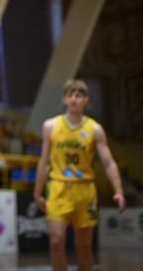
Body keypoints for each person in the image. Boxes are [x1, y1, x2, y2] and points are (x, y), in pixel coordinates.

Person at [33, 79, 125, 271]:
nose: (74, 99)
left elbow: (108, 162)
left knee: (84, 247)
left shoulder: (95, 129)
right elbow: (43, 161)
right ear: (64, 100)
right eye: (70, 95)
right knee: (56, 241)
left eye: (78, 95)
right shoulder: (50, 126)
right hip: (58, 187)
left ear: (85, 100)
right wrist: (37, 191)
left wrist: (118, 190)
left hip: (85, 190)